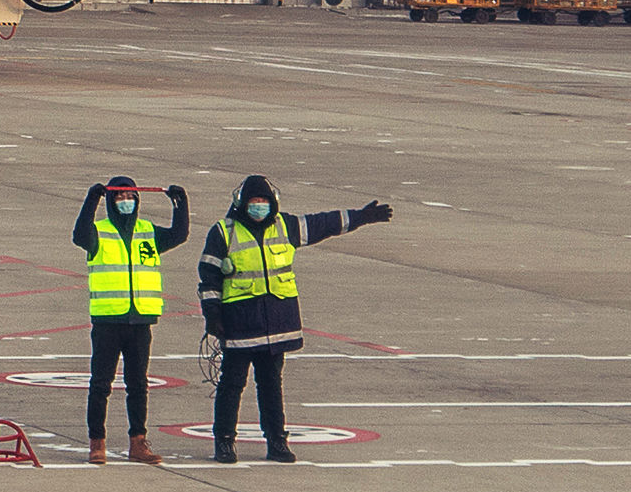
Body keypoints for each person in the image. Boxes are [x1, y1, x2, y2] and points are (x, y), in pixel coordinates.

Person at [196, 174, 392, 463]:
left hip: (277, 326)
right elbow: (208, 275)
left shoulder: (285, 226)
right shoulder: (223, 232)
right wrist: (212, 314)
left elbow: (323, 224)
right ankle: (224, 441)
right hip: (240, 325)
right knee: (231, 385)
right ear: (241, 203)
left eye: (263, 201)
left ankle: (277, 441)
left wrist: (361, 217)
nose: (259, 206)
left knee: (272, 387)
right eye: (253, 201)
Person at [73, 174, 188, 464]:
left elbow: (179, 235)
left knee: (138, 385)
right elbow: (79, 235)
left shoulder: (148, 232)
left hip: (140, 322)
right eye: (120, 197)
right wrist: (92, 200)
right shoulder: (99, 232)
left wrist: (180, 204)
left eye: (131, 197)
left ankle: (138, 441)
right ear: (112, 202)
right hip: (108, 321)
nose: (126, 202)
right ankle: (96, 442)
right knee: (101, 384)